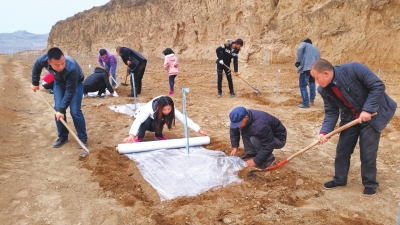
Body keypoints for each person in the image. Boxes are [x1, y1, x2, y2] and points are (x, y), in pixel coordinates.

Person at [310, 59, 397, 196]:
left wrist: (367, 110)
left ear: (326, 73)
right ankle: (339, 179)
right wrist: (324, 132)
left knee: (367, 152)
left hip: (372, 115)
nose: (316, 82)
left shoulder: (354, 69)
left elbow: (377, 85)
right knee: (342, 150)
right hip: (350, 117)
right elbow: (332, 112)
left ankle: (370, 183)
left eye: (316, 77)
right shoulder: (323, 90)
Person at [31, 47, 88, 148]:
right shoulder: (43, 59)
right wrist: (35, 83)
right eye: (57, 65)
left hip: (76, 84)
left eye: (63, 63)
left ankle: (82, 138)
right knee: (57, 108)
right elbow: (36, 66)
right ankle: (63, 137)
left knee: (75, 110)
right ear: (49, 62)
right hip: (58, 82)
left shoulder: (71, 68)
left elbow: (70, 92)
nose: (61, 66)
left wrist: (62, 110)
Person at [122, 96, 208, 143]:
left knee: (161, 119)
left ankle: (158, 134)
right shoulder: (149, 108)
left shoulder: (171, 109)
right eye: (164, 110)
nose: (167, 111)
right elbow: (138, 121)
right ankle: (140, 136)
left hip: (155, 123)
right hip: (146, 123)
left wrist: (198, 129)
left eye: (169, 109)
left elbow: (183, 118)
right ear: (159, 107)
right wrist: (132, 135)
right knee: (146, 120)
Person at [295, 38, 321, 108]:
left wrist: (298, 61)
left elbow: (300, 49)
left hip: (306, 67)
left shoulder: (305, 44)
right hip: (314, 68)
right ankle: (311, 100)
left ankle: (306, 103)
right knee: (312, 82)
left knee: (302, 85)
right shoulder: (316, 49)